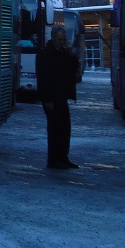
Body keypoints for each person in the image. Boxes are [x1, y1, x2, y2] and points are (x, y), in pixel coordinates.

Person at [36, 24, 81, 169]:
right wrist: (47, 99)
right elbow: (43, 78)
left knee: (64, 128)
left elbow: (73, 69)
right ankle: (54, 159)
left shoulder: (63, 53)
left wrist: (70, 55)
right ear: (54, 38)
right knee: (55, 129)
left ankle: (63, 156)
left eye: (64, 40)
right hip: (52, 98)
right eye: (60, 40)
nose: (62, 42)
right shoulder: (45, 54)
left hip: (62, 96)